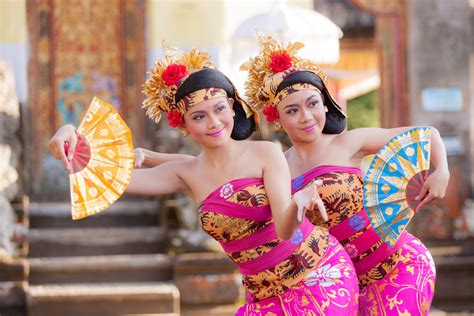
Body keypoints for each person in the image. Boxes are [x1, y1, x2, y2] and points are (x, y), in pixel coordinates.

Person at [49, 45, 359, 315]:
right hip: (263, 294)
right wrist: (70, 136)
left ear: (233, 109)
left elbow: (284, 227)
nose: (213, 123)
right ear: (182, 125)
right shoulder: (186, 174)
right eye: (199, 116)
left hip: (319, 276)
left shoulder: (266, 153)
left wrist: (300, 201)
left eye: (219, 109)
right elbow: (113, 177)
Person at [240, 34, 449, 315]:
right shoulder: (275, 165)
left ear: (325, 103)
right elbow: (208, 168)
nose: (306, 116)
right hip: (335, 281)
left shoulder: (350, 142)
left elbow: (426, 135)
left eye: (313, 103)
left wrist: (442, 172)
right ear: (276, 117)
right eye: (292, 110)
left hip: (398, 263)